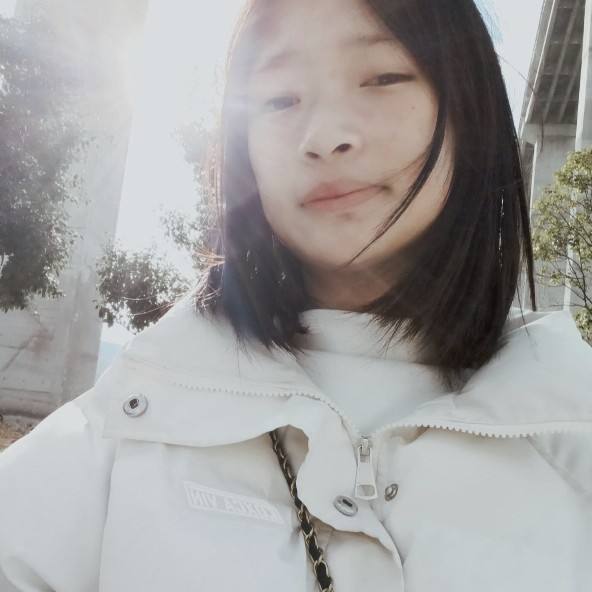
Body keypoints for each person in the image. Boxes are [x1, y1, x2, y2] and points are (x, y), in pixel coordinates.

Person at [1, 0, 591, 590]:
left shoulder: (570, 429)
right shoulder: (126, 426)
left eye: (383, 77)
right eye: (280, 99)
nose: (325, 137)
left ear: (472, 110)